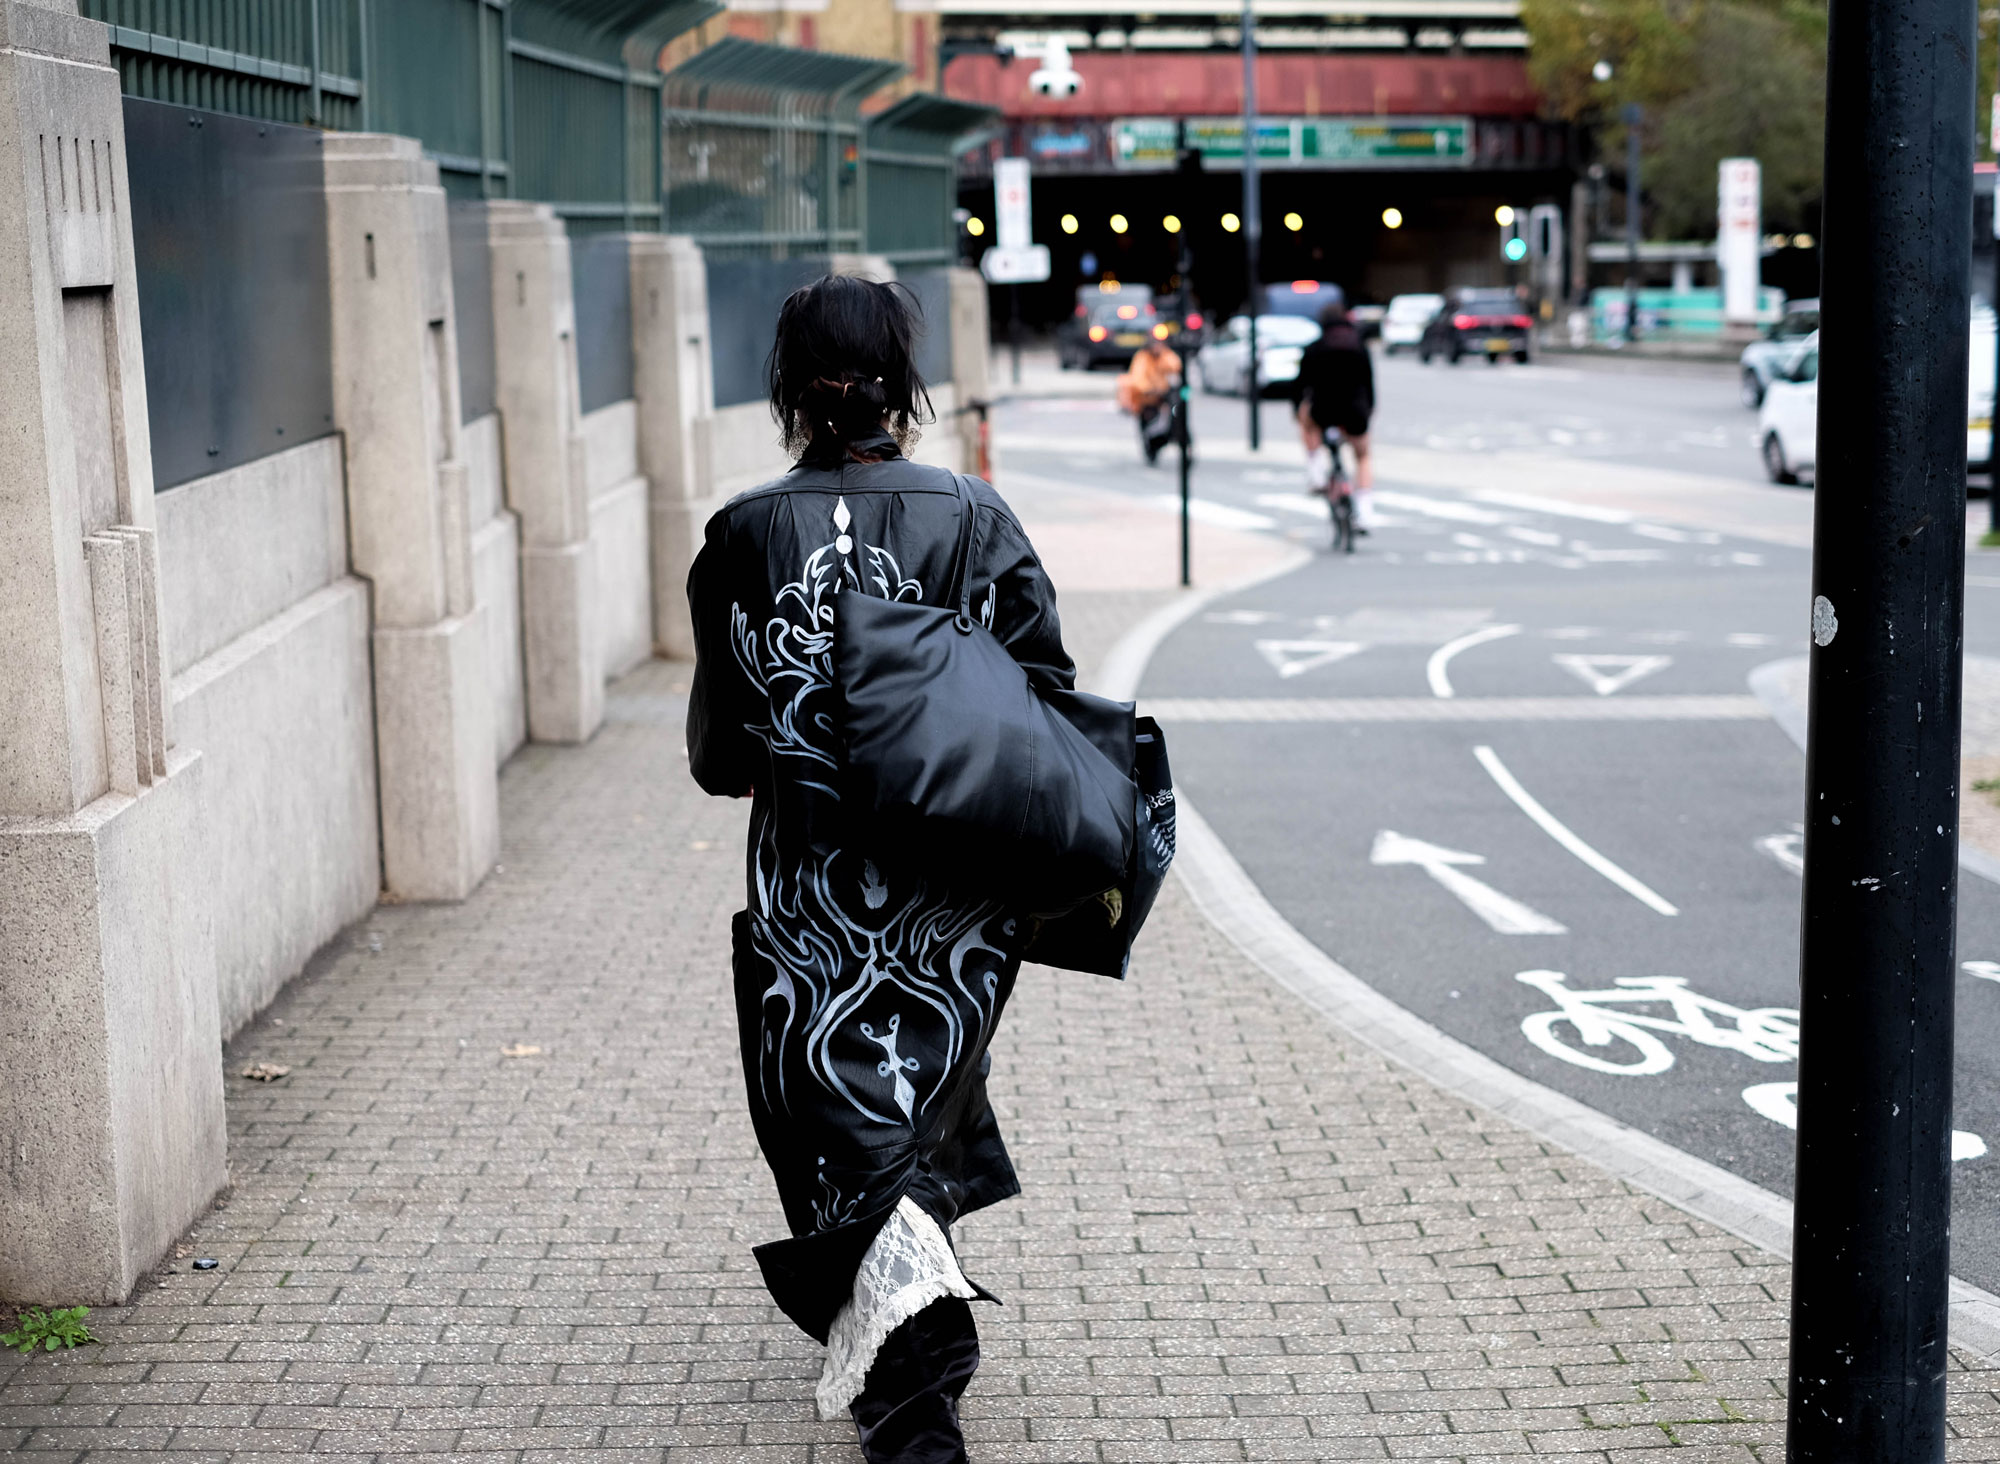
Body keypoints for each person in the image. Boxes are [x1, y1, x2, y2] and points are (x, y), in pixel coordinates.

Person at [684, 275, 1081, 1464]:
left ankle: (915, 1398)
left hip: (810, 888)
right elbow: (1045, 693)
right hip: (954, 892)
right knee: (919, 1097)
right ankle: (919, 1355)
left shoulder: (743, 535)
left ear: (786, 386)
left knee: (836, 1116)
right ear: (904, 379)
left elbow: (716, 754)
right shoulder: (975, 517)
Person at [1293, 297, 1376, 526]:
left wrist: (1297, 410)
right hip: (1355, 411)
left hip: (1323, 410)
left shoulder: (1315, 348)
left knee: (1305, 420)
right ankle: (1365, 510)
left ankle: (1316, 471)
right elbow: (1369, 383)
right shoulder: (1360, 345)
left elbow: (1300, 386)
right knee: (1363, 456)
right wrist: (1369, 409)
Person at [1116, 335, 1182, 463]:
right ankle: (1150, 448)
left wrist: (1163, 357)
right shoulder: (1142, 357)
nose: (1157, 347)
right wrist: (1147, 389)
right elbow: (1138, 377)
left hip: (1162, 395)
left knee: (1173, 416)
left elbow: (1175, 365)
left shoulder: (1165, 355)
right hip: (1146, 398)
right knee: (1148, 421)